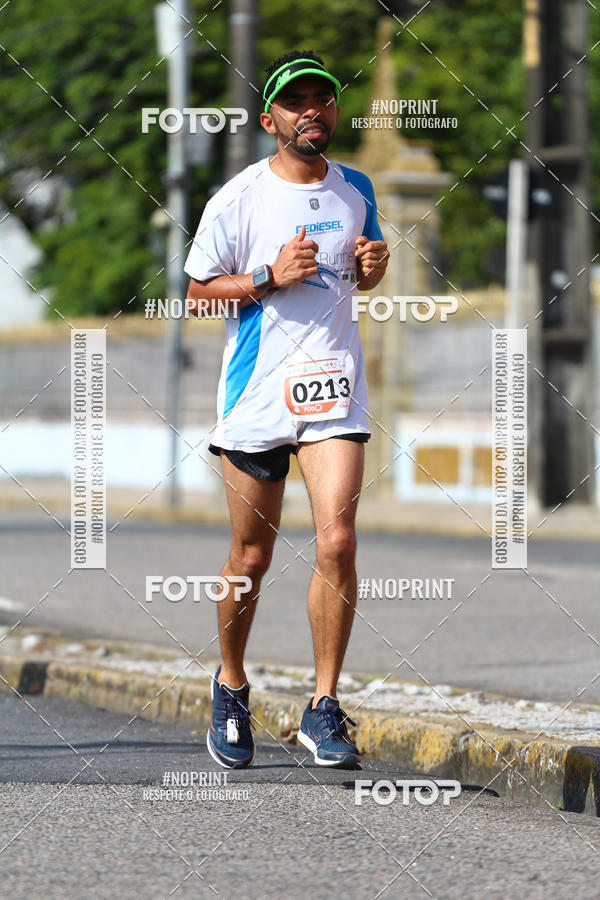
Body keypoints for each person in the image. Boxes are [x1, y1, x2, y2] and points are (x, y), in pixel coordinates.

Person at [185, 50, 389, 769]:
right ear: (269, 117)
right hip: (257, 399)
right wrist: (268, 277)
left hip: (334, 393)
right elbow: (198, 293)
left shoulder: (356, 187)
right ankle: (231, 683)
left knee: (337, 538)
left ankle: (324, 705)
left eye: (323, 99)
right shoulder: (237, 199)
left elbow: (363, 270)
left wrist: (372, 269)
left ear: (334, 111)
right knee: (252, 553)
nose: (312, 111)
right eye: (295, 101)